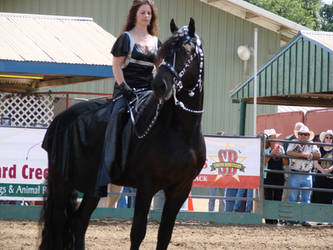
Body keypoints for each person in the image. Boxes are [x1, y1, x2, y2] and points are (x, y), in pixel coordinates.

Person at [286, 125, 321, 227]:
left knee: (306, 198)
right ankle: (290, 219)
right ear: (298, 135)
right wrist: (304, 155)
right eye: (301, 134)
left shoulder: (312, 144)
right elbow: (288, 152)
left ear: (308, 136)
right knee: (292, 197)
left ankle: (304, 219)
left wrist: (311, 155)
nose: (303, 136)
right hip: (295, 173)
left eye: (305, 134)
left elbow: (318, 155)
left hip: (307, 174)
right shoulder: (293, 142)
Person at [263, 129, 288, 224]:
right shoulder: (265, 149)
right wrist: (271, 154)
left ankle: (275, 218)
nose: (274, 139)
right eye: (272, 137)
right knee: (269, 197)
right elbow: (263, 163)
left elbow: (285, 163)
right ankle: (269, 218)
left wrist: (282, 155)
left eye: (274, 137)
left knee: (278, 197)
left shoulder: (281, 148)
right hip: (268, 176)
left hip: (279, 175)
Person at [281, 122, 304, 203]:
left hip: (301, 168)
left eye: (301, 130)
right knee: (288, 188)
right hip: (290, 167)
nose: (299, 133)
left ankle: (297, 212)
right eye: (298, 130)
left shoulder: (306, 140)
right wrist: (286, 168)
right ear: (294, 130)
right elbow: (284, 155)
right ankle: (285, 210)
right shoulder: (288, 140)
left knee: (299, 190)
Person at [311, 130, 333, 204]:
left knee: (329, 198)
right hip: (320, 177)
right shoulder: (319, 149)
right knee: (318, 197)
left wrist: (329, 170)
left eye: (331, 137)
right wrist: (323, 171)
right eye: (327, 137)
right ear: (324, 139)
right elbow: (315, 162)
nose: (328, 139)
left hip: (330, 177)